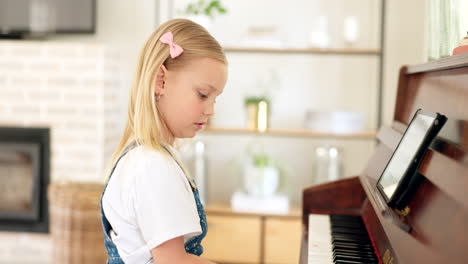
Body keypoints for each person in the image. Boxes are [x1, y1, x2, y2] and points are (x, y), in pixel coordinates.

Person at [100, 18, 228, 264]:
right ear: (161, 80)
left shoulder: (144, 157)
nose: (211, 110)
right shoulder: (152, 165)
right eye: (203, 94)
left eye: (215, 98)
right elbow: (173, 261)